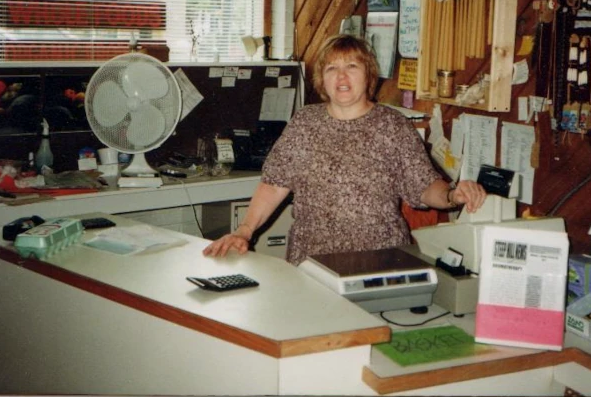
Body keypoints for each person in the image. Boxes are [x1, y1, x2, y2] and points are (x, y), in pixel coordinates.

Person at [203, 34, 487, 265]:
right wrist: (244, 231)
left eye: (352, 66)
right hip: (312, 261)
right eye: (331, 68)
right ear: (322, 80)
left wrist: (453, 195)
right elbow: (274, 184)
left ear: (368, 74)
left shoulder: (392, 125)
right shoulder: (305, 123)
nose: (341, 76)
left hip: (380, 259)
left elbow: (424, 186)